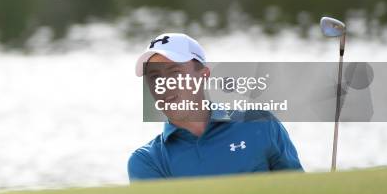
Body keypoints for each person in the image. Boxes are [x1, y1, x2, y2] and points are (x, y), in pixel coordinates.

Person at [128, 33, 303, 181]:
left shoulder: (260, 125)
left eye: (175, 72)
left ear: (203, 75)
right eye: (154, 77)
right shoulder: (147, 161)